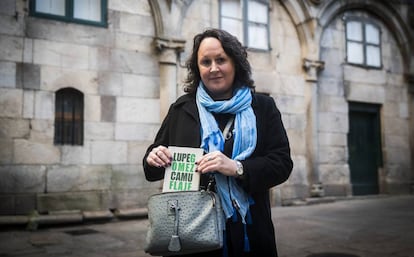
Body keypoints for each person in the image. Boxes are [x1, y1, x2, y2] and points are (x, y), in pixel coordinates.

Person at [143, 28, 293, 257]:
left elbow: (282, 164)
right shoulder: (182, 109)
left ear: (235, 62)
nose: (213, 68)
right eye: (205, 62)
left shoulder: (263, 107)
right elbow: (151, 168)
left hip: (248, 233)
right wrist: (154, 157)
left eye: (221, 60)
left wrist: (237, 167)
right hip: (190, 233)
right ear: (197, 68)